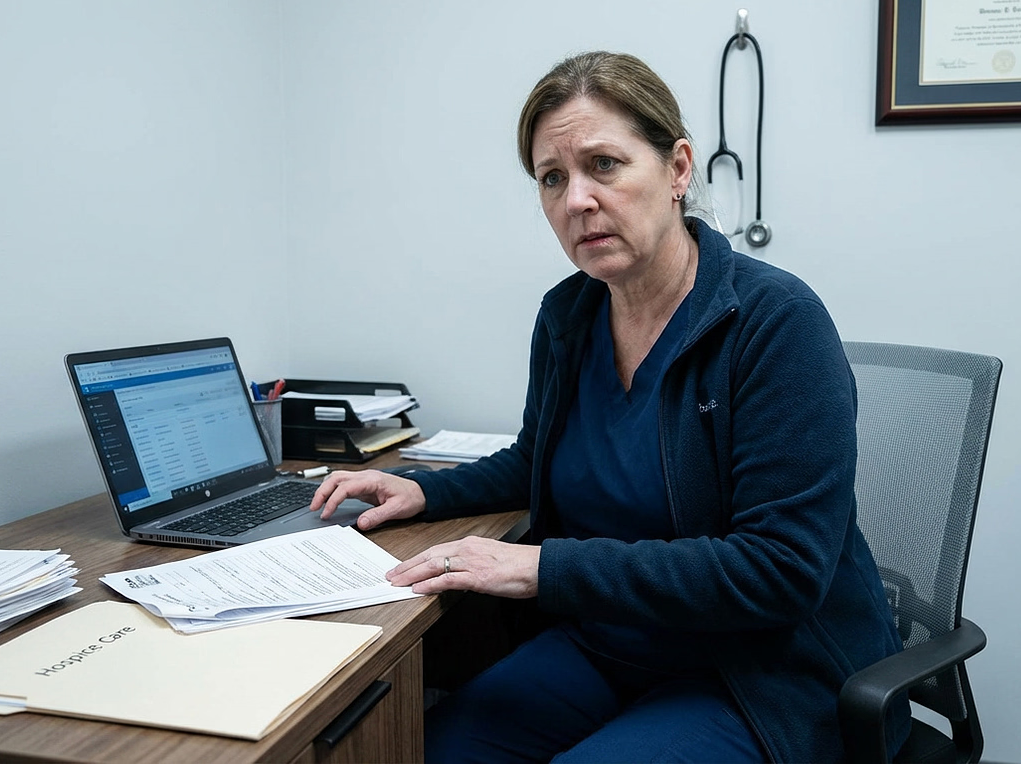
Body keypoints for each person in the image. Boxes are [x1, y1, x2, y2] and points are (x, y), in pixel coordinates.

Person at [311, 51, 909, 763]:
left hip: (756, 671)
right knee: (430, 748)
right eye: (552, 178)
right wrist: (423, 490)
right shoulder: (569, 316)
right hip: (612, 643)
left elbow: (780, 570)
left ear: (678, 169)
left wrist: (540, 570)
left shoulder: (775, 322)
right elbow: (540, 460)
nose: (577, 201)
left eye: (605, 165)